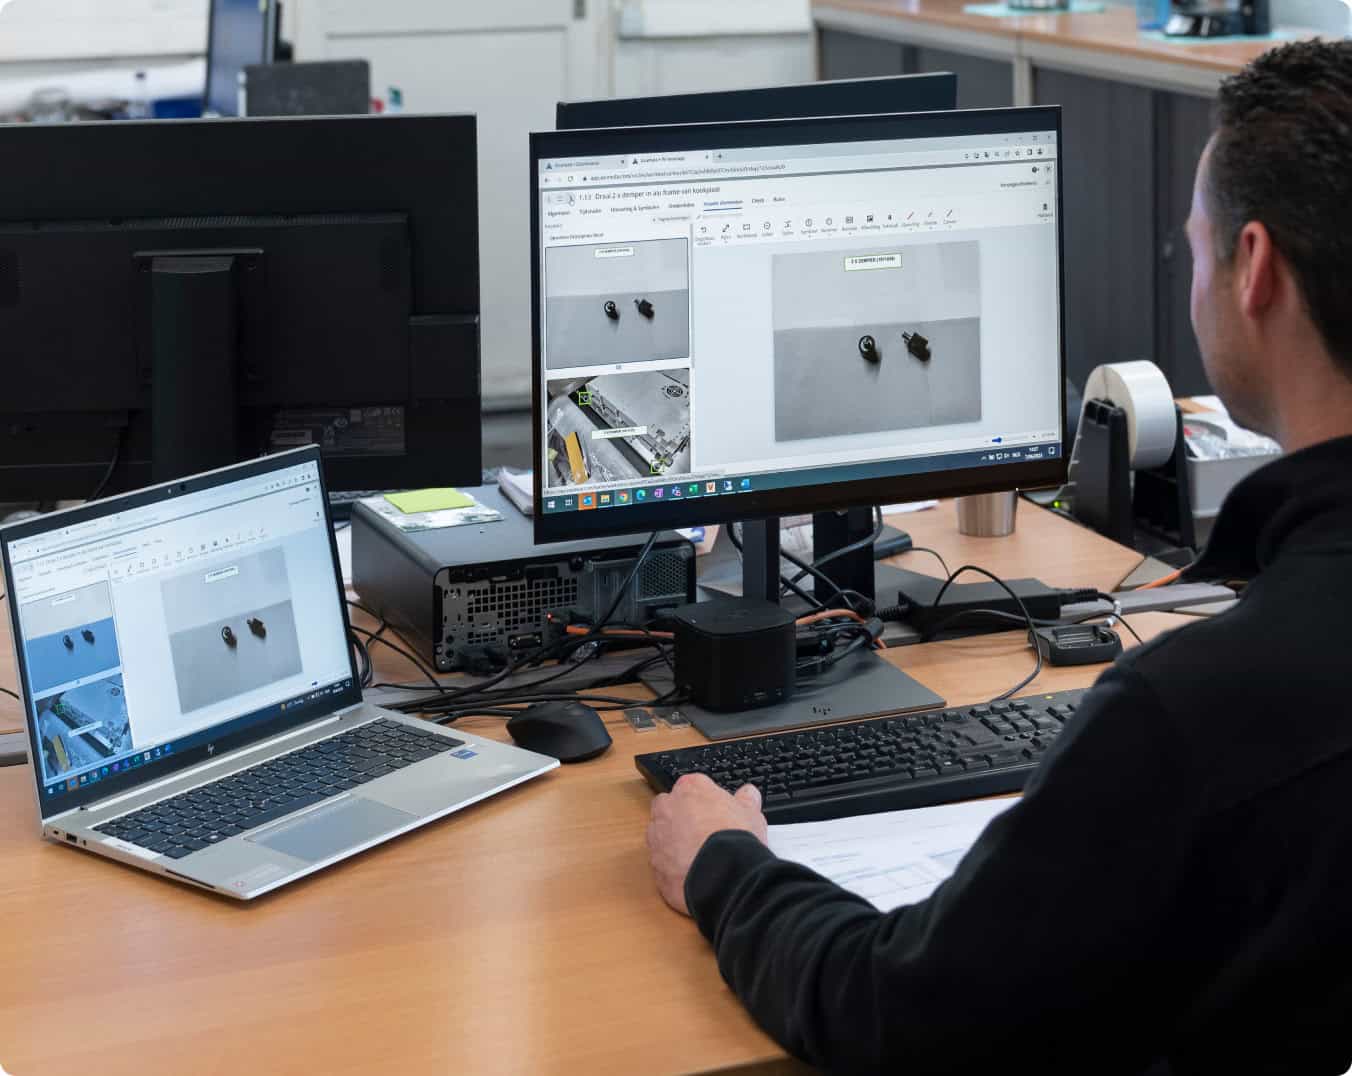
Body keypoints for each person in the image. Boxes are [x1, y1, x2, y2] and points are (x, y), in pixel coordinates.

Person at [646, 40, 1352, 1076]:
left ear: (1251, 267)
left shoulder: (1194, 706)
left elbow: (898, 1011)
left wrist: (723, 864)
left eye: (1192, 247)